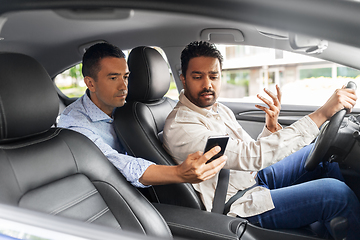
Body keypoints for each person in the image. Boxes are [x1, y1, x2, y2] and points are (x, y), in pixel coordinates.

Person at [163, 41, 360, 239]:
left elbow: (245, 151)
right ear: (183, 79)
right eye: (198, 77)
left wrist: (271, 127)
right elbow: (251, 156)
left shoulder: (218, 109)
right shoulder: (182, 127)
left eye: (214, 76)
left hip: (252, 177)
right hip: (239, 203)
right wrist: (322, 114)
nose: (208, 84)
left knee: (323, 156)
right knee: (337, 195)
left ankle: (332, 227)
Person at [57, 42, 227, 188]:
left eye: (126, 76)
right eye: (113, 78)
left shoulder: (134, 107)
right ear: (90, 83)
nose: (123, 86)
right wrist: (178, 173)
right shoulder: (75, 126)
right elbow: (118, 163)